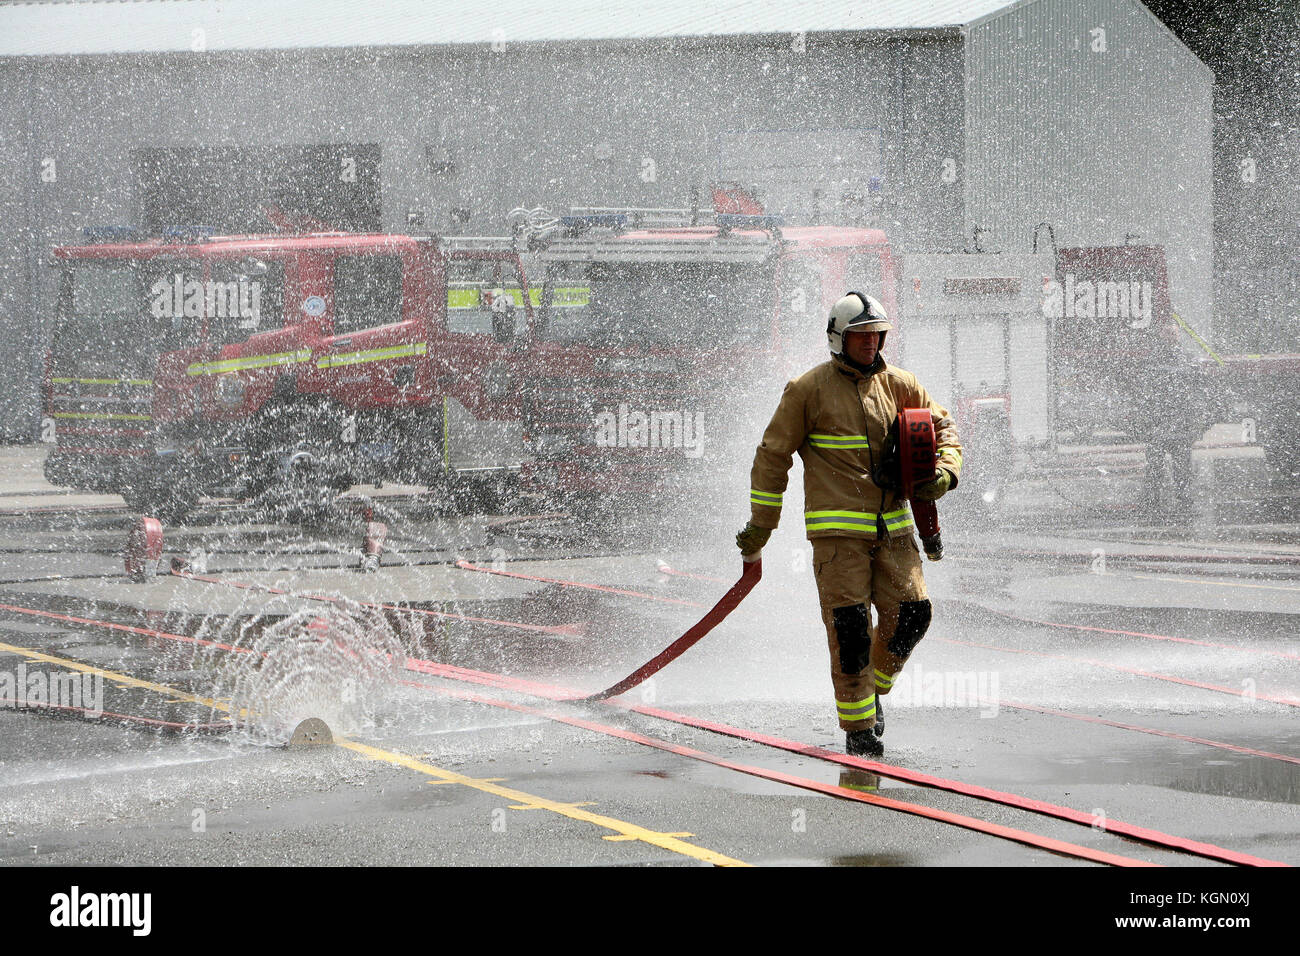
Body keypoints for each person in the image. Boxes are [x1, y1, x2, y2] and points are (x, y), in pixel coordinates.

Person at [736, 292, 963, 757]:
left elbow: (943, 429)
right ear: (840, 338)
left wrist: (945, 472)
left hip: (894, 530)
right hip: (838, 539)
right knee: (852, 630)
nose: (870, 345)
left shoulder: (902, 384)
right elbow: (772, 457)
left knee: (913, 617)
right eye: (861, 336)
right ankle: (859, 732)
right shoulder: (807, 390)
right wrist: (762, 526)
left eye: (876, 336)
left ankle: (875, 689)